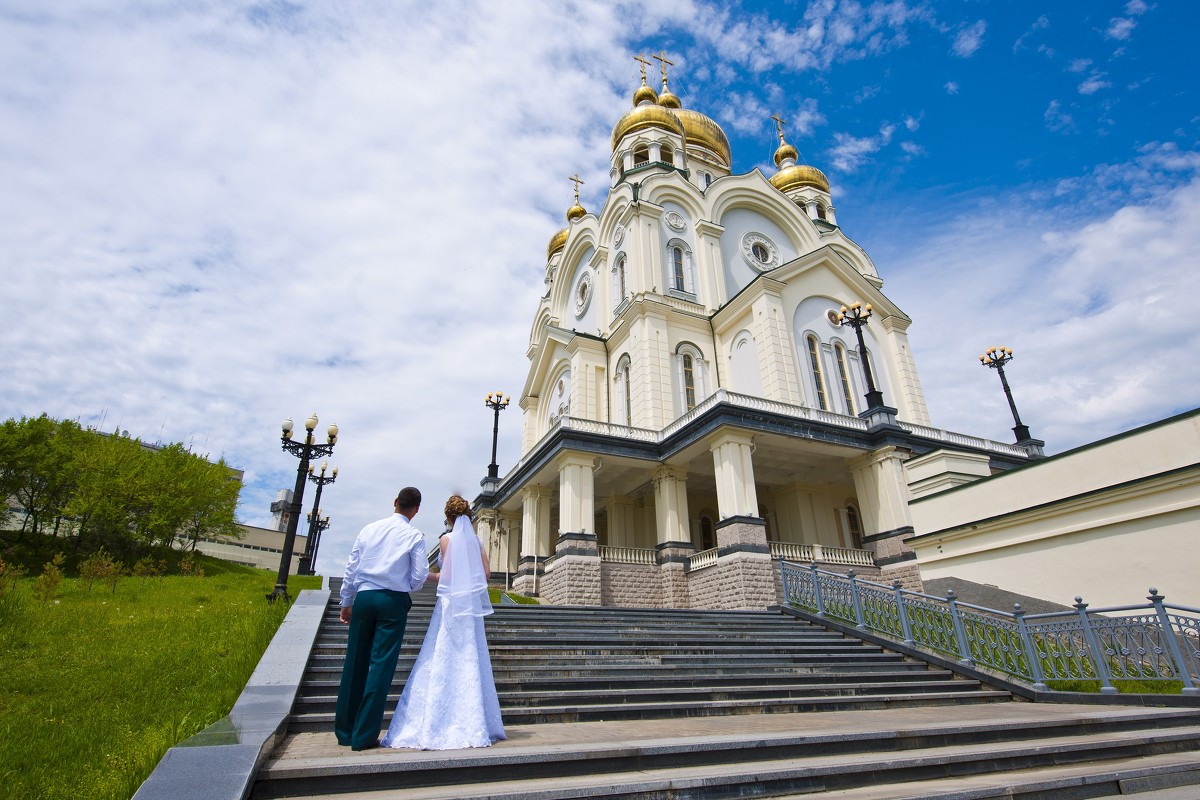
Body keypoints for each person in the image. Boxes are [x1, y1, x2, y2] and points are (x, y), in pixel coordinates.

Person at [382, 495, 506, 750]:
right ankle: (475, 722)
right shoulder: (477, 542)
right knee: (471, 656)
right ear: (468, 516)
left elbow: (445, 576)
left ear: (448, 518)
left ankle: (436, 720)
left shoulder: (446, 540)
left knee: (442, 653)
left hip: (450, 605)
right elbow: (486, 574)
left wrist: (423, 576)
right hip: (470, 608)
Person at [335, 486, 429, 751]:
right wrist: (404, 585)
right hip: (392, 601)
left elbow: (352, 567)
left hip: (364, 598)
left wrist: (347, 601)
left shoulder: (369, 529)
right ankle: (364, 736)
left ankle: (344, 730)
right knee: (381, 666)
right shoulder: (414, 535)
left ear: (395, 502)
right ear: (417, 510)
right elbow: (420, 574)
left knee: (354, 662)